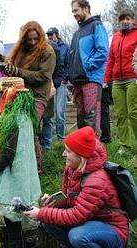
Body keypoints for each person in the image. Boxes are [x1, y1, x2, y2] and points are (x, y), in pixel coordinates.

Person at [24, 126, 129, 248]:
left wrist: (42, 213)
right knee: (48, 221)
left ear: (81, 155)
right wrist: (52, 203)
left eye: (68, 151)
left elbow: (77, 215)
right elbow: (69, 200)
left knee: (78, 236)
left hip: (112, 230)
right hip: (90, 222)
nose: (63, 154)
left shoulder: (97, 181)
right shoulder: (72, 169)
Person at [0, 77, 41, 247]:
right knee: (19, 222)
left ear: (9, 94)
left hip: (13, 181)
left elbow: (7, 152)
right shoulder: (26, 116)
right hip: (25, 179)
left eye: (1, 93)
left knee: (13, 223)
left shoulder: (11, 118)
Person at [3, 21, 56, 172]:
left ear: (41, 36)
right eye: (29, 39)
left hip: (38, 95)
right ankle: (19, 165)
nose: (32, 42)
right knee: (16, 129)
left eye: (35, 38)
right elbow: (14, 69)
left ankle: (36, 169)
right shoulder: (20, 51)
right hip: (20, 94)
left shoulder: (48, 52)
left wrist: (18, 71)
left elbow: (43, 76)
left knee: (30, 128)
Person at [69, 0, 109, 136]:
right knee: (80, 118)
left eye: (76, 10)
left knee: (91, 117)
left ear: (86, 9)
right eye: (72, 11)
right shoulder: (77, 33)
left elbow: (103, 51)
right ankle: (81, 152)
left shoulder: (96, 25)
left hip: (91, 78)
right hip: (77, 81)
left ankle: (94, 153)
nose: (74, 14)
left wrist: (88, 66)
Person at [104, 9, 137, 155]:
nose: (125, 21)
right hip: (117, 81)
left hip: (133, 79)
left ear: (132, 20)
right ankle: (125, 146)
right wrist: (106, 79)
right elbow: (111, 59)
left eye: (127, 18)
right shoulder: (116, 37)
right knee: (120, 114)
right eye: (122, 19)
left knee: (133, 113)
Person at [41, 27, 70, 150]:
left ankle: (60, 138)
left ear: (57, 34)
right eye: (48, 34)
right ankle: (47, 142)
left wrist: (64, 79)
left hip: (60, 82)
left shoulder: (64, 47)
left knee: (60, 112)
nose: (49, 36)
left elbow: (66, 64)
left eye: (51, 34)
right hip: (47, 84)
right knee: (48, 114)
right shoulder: (45, 47)